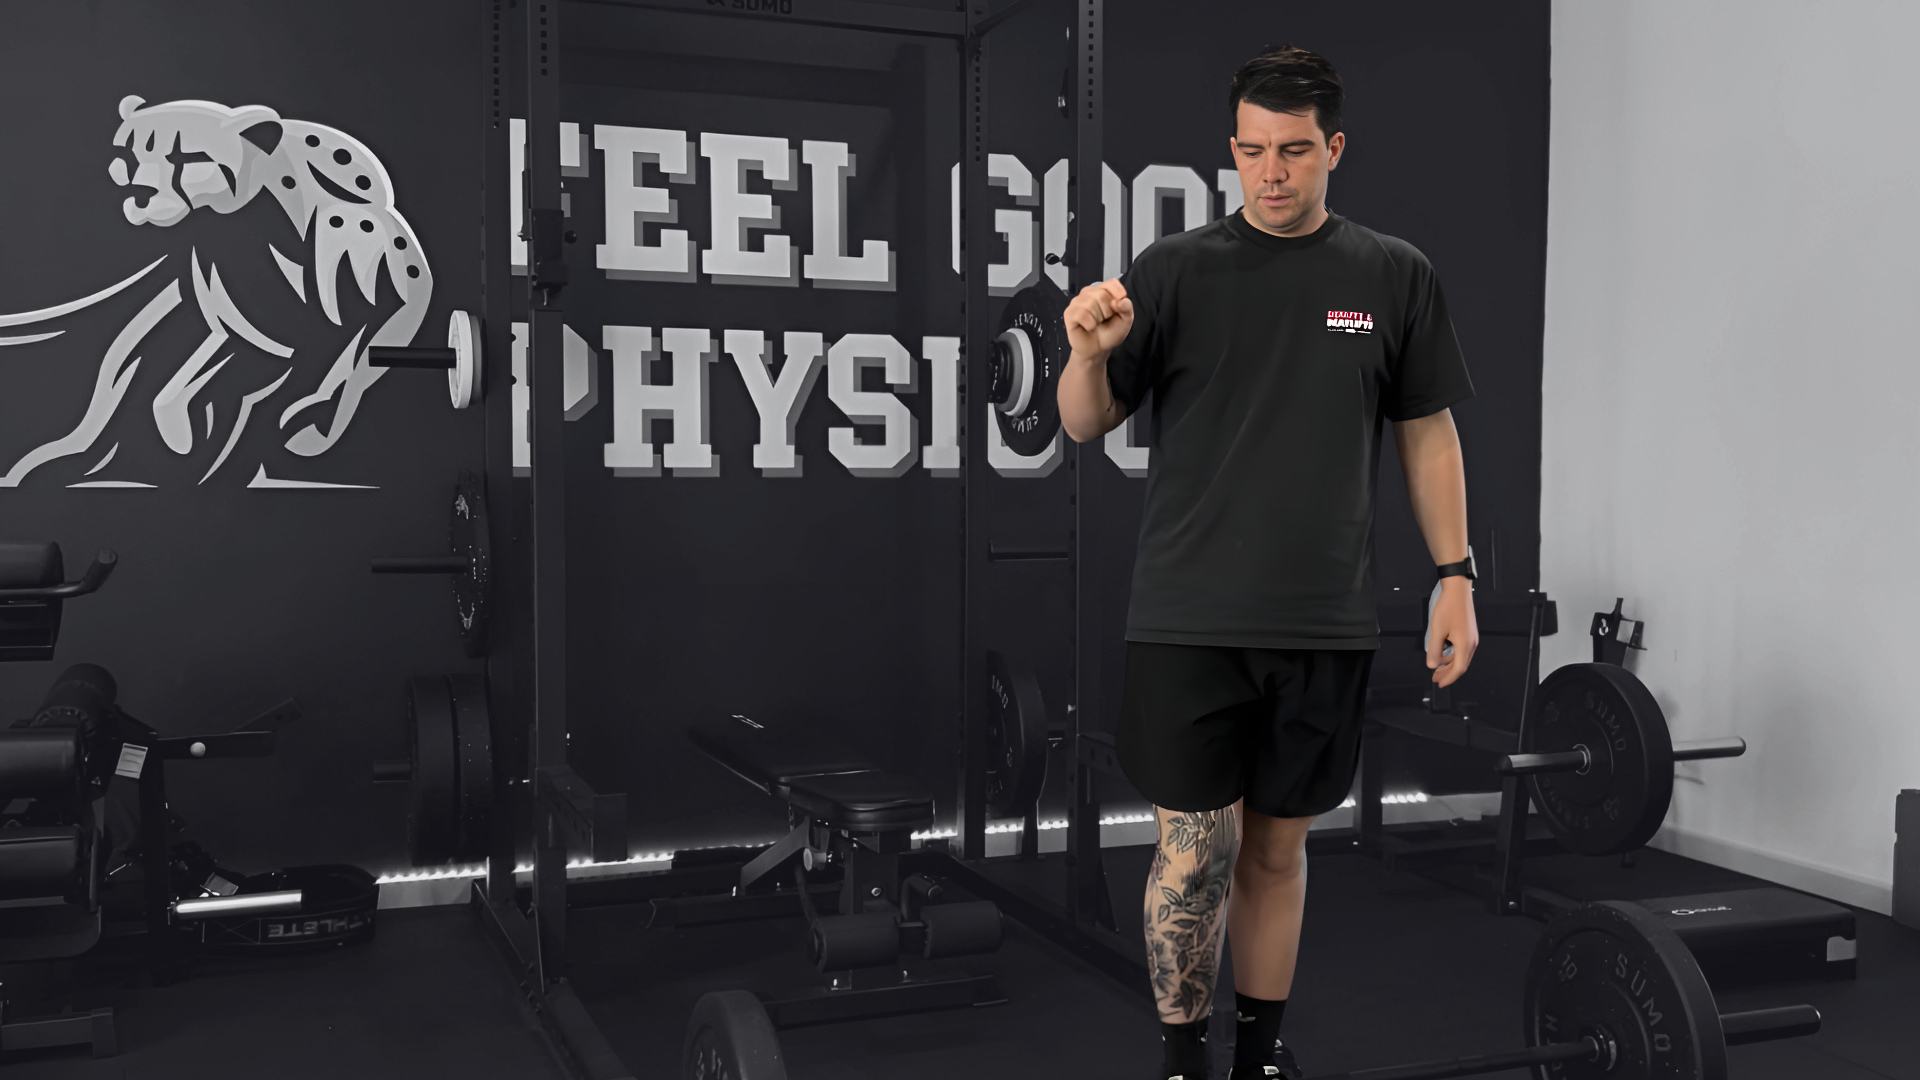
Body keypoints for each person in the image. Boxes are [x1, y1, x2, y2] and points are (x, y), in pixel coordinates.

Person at [1056, 45, 1482, 1080]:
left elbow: (1428, 434)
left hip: (1321, 620)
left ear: (1333, 148)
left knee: (1278, 852)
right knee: (1192, 853)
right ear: (1234, 152)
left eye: (1295, 152)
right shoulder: (1174, 271)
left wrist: (1456, 575)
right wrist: (1084, 352)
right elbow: (1084, 423)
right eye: (1253, 152)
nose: (1273, 173)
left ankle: (1259, 1055)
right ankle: (1176, 1055)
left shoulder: (1392, 274)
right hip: (1188, 616)